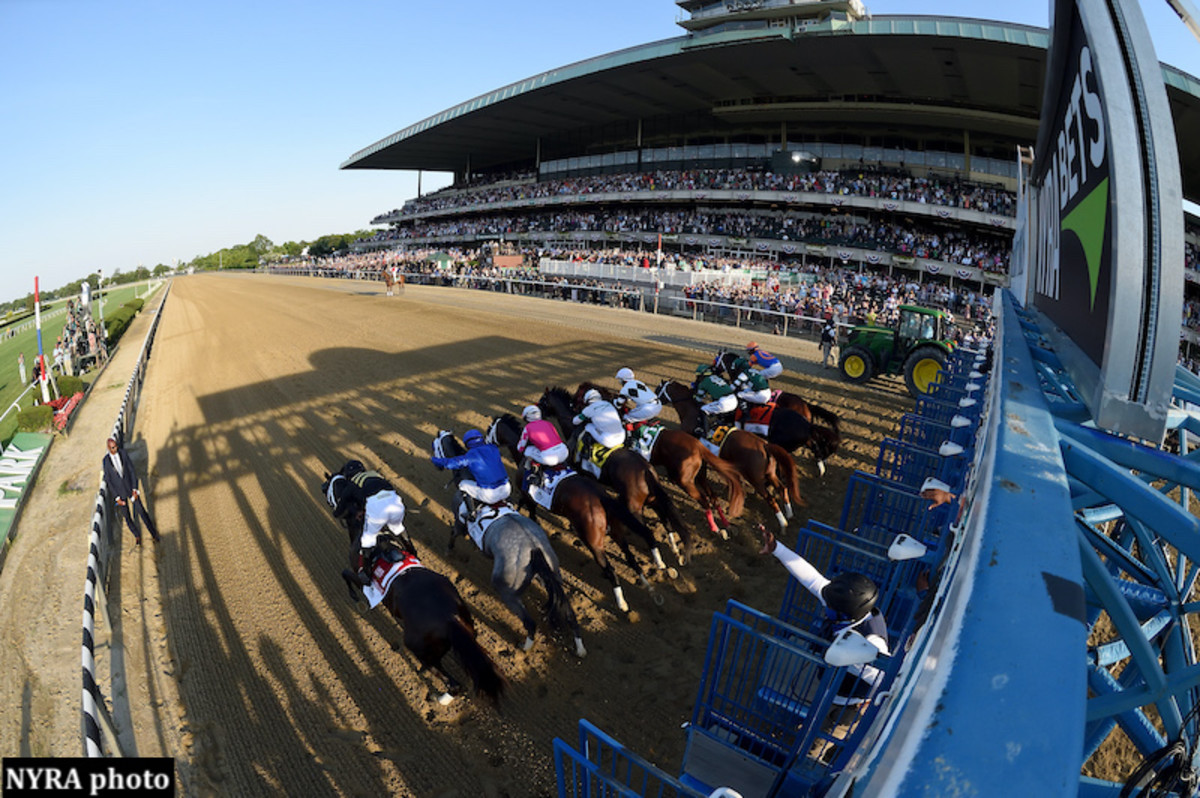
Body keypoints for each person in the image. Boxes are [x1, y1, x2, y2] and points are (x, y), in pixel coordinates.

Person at [759, 527, 889, 717]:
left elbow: (885, 678)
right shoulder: (847, 607)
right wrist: (777, 548)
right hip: (830, 685)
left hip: (847, 704)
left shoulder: (871, 643)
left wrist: (874, 704)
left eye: (829, 607)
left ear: (845, 614)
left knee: (815, 744)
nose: (825, 605)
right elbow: (812, 579)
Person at [331, 460, 408, 585]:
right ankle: (411, 551)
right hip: (396, 504)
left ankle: (365, 573)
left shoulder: (351, 485)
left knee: (367, 541)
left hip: (377, 511)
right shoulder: (376, 476)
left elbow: (337, 513)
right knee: (398, 528)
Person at [431, 429, 512, 527]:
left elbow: (450, 464)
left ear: (467, 444)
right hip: (507, 489)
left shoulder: (469, 456)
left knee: (463, 484)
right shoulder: (493, 448)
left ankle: (471, 513)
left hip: (489, 495)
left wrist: (435, 460)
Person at [102, 437, 160, 546]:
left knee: (141, 511)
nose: (116, 448)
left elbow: (132, 471)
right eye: (113, 447)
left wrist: (135, 489)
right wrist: (117, 498)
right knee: (127, 517)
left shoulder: (123, 453)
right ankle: (137, 535)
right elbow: (109, 481)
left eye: (116, 446)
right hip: (120, 494)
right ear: (109, 448)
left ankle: (154, 533)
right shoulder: (105, 462)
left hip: (130, 489)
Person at [516, 405, 569, 490]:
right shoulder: (548, 423)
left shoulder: (528, 427)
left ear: (527, 418)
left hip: (549, 458)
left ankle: (527, 480)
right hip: (564, 451)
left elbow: (520, 447)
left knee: (527, 451)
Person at [572, 388, 626, 461]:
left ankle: (586, 454)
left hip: (609, 441)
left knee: (588, 427)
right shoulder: (608, 404)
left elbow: (575, 422)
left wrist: (581, 415)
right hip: (622, 437)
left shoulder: (589, 409)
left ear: (588, 400)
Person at [692, 364, 737, 439]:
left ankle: (706, 433)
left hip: (724, 402)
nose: (697, 378)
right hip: (734, 400)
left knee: (703, 409)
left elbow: (698, 399)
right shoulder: (716, 377)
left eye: (698, 376)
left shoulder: (703, 383)